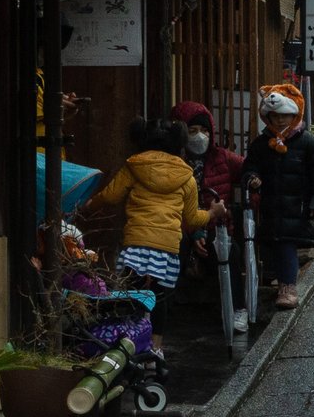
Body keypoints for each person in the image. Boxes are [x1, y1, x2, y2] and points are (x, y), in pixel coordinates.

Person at [90, 118, 225, 292]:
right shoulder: (187, 177)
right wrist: (213, 212)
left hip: (136, 245)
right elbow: (192, 219)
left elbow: (110, 197)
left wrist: (88, 204)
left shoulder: (134, 166)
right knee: (159, 301)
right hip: (167, 251)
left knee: (132, 300)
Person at [241, 84, 314, 312]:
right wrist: (252, 178)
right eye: (275, 116)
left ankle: (288, 287)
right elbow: (250, 166)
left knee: (286, 244)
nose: (280, 121)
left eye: (285, 116)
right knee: (273, 242)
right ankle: (278, 282)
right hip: (270, 205)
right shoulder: (261, 144)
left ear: (295, 115)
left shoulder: (309, 143)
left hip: (296, 205)